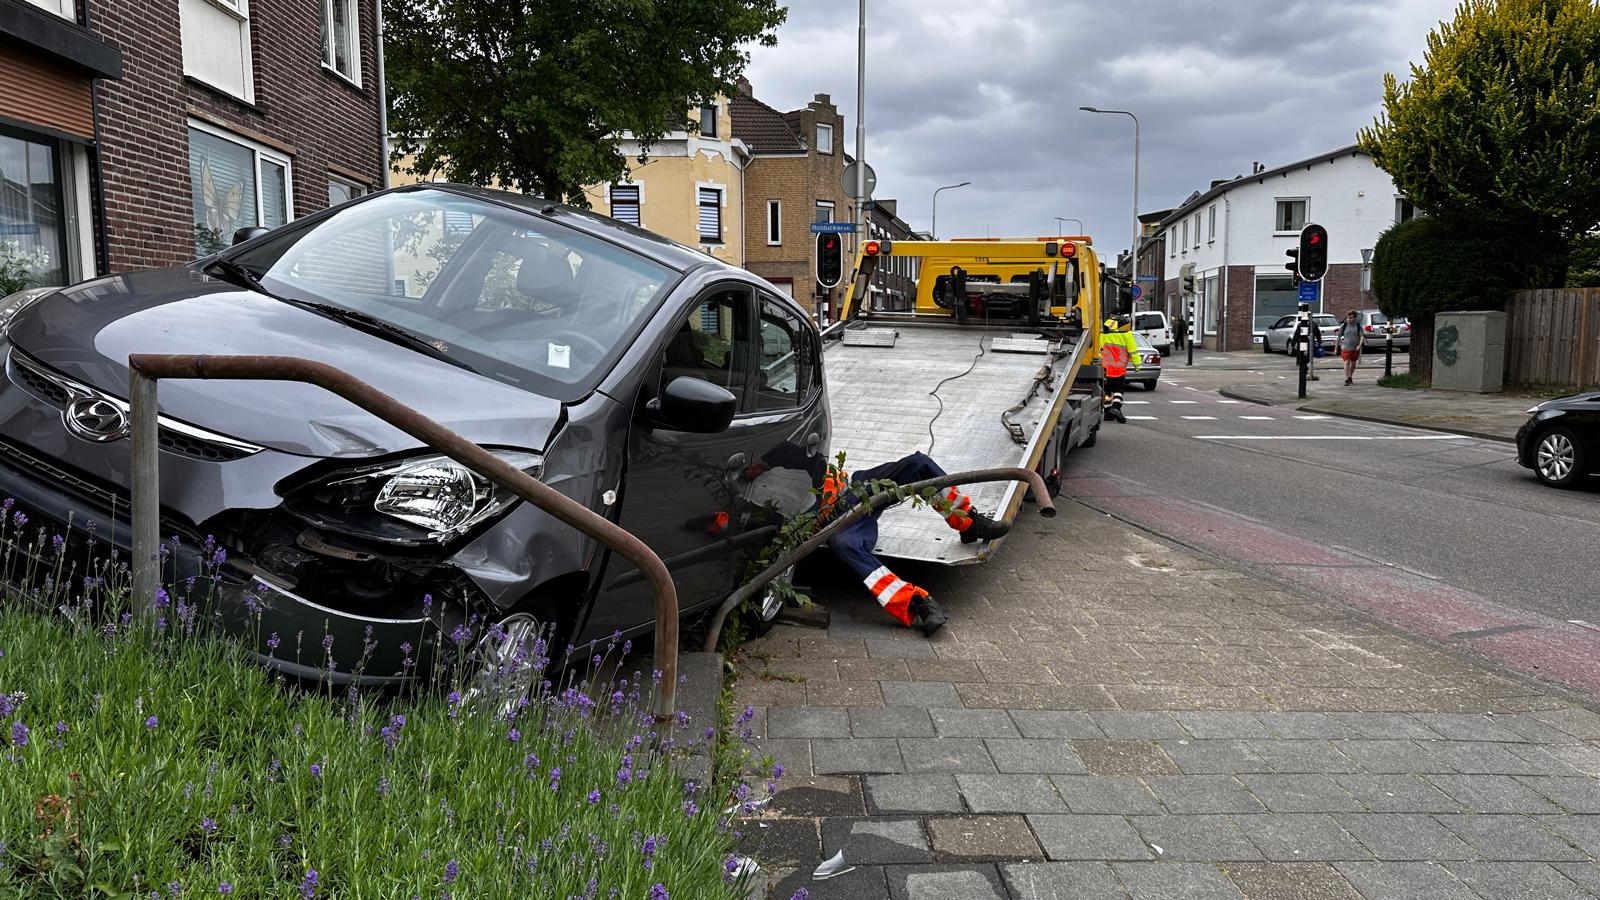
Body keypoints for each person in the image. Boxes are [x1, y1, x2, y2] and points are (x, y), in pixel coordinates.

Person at [743, 446, 1010, 637]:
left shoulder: (778, 452)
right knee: (844, 546)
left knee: (917, 463)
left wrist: (765, 459)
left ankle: (969, 523)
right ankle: (917, 602)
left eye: (753, 463)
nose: (752, 468)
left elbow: (798, 450)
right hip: (841, 522)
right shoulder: (748, 504)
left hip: (857, 486)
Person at [1100, 316, 1138, 423]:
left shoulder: (1104, 335)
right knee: (1118, 390)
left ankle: (1107, 413)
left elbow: (1099, 348)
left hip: (1105, 369)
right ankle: (1116, 407)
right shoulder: (1127, 335)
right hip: (1119, 370)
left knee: (1107, 392)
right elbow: (1133, 351)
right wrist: (1137, 365)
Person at [1337, 309, 1363, 384]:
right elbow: (1338, 337)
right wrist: (1336, 348)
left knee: (1353, 364)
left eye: (1351, 317)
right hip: (1345, 346)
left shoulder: (1358, 326)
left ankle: (1350, 376)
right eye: (1347, 317)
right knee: (1346, 362)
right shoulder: (1343, 326)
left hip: (1355, 347)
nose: (1349, 319)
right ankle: (1347, 377)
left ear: (1355, 318)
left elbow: (1361, 336)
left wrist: (1359, 345)